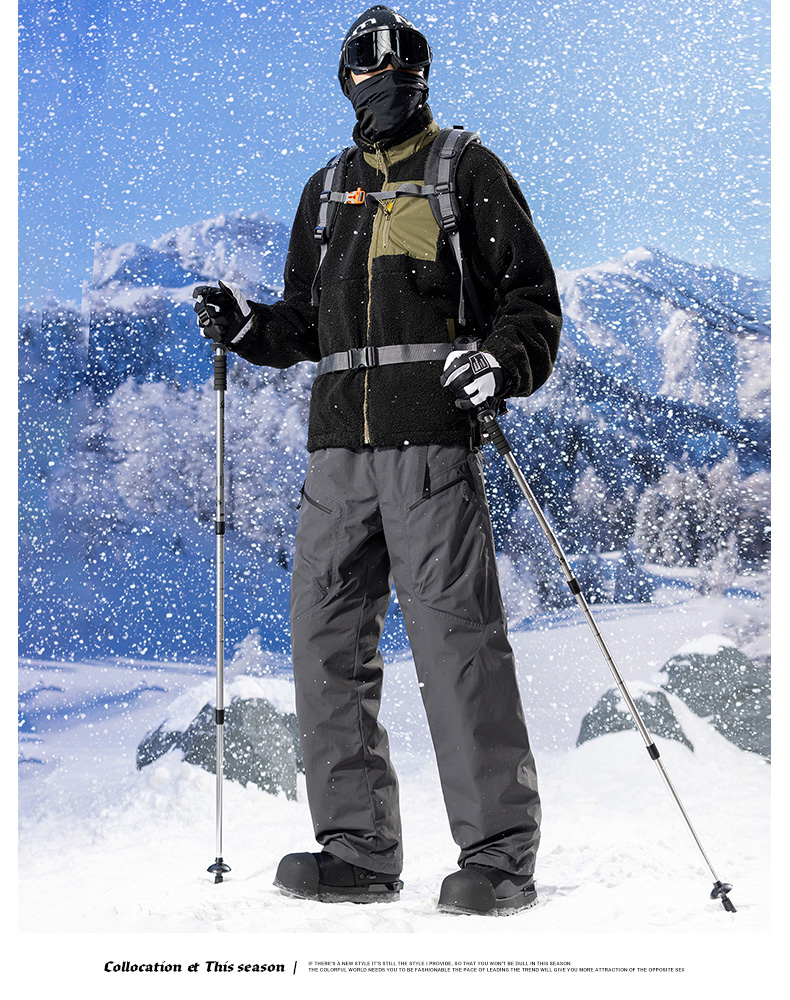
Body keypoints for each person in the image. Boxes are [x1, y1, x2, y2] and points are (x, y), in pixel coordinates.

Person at [193, 5, 562, 916]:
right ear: (346, 78)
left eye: (402, 60)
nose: (385, 73)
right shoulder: (325, 192)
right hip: (337, 459)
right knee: (324, 645)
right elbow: (306, 324)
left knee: (458, 648)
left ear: (423, 75)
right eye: (367, 60)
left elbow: (531, 301)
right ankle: (357, 851)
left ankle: (499, 859)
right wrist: (248, 328)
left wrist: (501, 363)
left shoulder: (465, 169)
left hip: (430, 449)